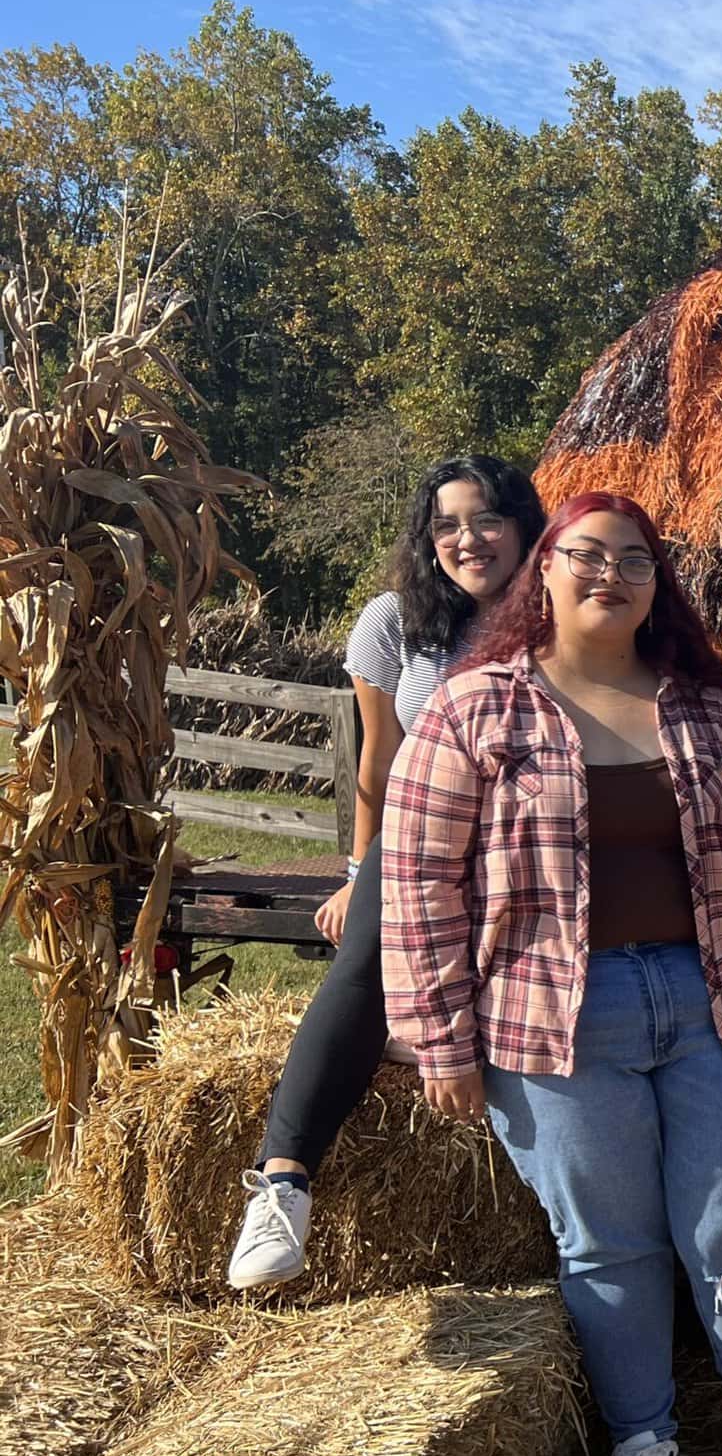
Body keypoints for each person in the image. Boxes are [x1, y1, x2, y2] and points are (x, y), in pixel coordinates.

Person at [382, 491, 722, 1456]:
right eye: (588, 555)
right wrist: (440, 1039)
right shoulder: (478, 708)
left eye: (634, 560)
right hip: (553, 1020)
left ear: (655, 585)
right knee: (608, 1247)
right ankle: (641, 1436)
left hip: (708, 998)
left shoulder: (701, 711)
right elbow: (418, 880)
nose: (610, 576)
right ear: (547, 571)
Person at [224, 456, 544, 1290]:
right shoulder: (396, 622)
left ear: (521, 526)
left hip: (522, 836)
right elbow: (379, 764)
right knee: (364, 950)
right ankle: (283, 1185)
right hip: (415, 836)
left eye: (485, 520)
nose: (467, 540)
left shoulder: (557, 615)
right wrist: (357, 870)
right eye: (447, 526)